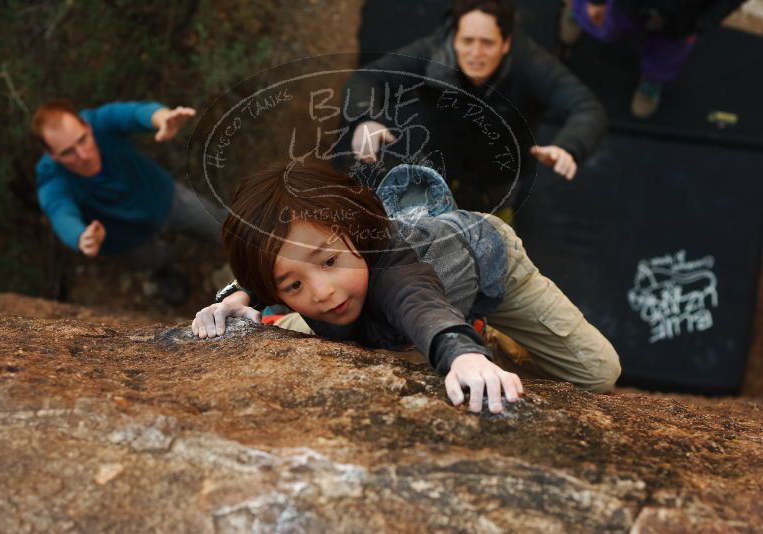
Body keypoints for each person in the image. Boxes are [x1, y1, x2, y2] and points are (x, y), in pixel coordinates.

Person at [191, 162, 621, 414]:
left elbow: (419, 305)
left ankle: (487, 333)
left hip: (486, 263)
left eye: (329, 261)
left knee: (599, 372)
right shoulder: (324, 275)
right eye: (294, 284)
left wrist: (466, 354)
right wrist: (237, 298)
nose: (322, 293)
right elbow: (269, 272)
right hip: (405, 302)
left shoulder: (396, 274)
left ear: (358, 236)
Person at [342, 0, 607, 216]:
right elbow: (367, 78)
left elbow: (586, 108)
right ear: (454, 38)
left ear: (506, 44)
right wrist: (365, 119)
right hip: (435, 173)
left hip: (496, 185)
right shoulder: (432, 52)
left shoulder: (532, 64)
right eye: (467, 41)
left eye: (487, 43)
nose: (475, 53)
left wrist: (568, 146)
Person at [32, 100, 226, 304]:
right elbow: (60, 211)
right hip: (127, 236)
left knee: (218, 225)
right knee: (153, 261)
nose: (84, 155)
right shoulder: (51, 177)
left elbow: (133, 114)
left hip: (163, 196)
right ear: (52, 155)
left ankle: (252, 251)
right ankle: (164, 273)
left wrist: (161, 118)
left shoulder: (99, 123)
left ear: (87, 127)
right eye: (67, 152)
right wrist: (81, 237)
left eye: (83, 140)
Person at [559, 0, 745, 118]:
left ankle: (653, 80)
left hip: (682, 18)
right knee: (603, 23)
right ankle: (579, 9)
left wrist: (702, 23)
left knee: (667, 55)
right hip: (628, 5)